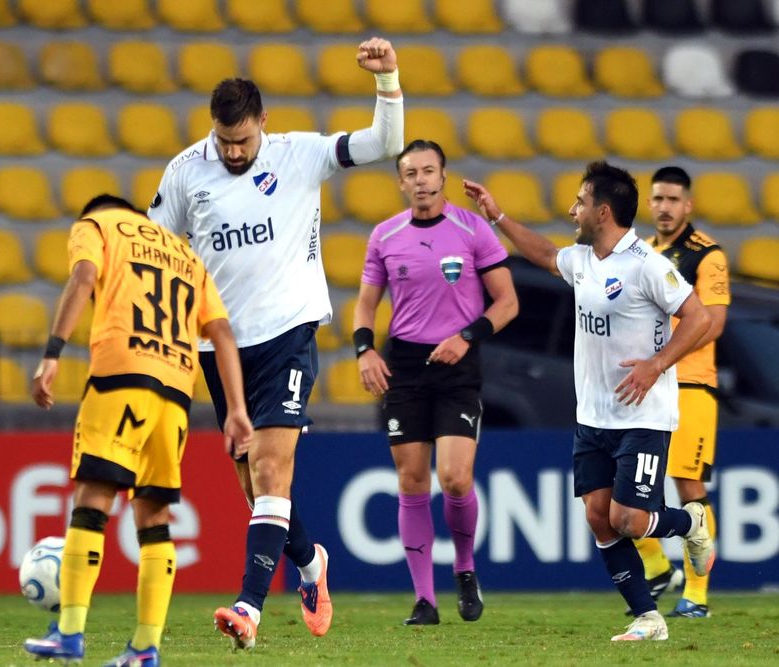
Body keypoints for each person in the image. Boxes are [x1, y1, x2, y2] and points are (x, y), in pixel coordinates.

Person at [146, 37, 404, 649]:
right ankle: (312, 564)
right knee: (258, 488)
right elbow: (154, 247)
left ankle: (249, 607)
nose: (232, 152)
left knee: (270, 466)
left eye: (242, 140)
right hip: (222, 349)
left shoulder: (298, 155)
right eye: (223, 141)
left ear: (264, 123)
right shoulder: (186, 172)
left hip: (289, 333)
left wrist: (388, 81)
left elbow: (383, 144)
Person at [462, 162, 715, 642]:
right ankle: (648, 618)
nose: (570, 209)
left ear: (602, 211)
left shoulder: (647, 264)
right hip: (591, 416)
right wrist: (498, 217)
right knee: (600, 519)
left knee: (629, 519)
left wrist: (656, 364)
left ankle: (690, 521)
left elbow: (699, 317)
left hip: (643, 416)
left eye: (579, 201)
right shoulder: (583, 259)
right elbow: (543, 254)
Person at [23, 194, 253, 666]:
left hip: (121, 373)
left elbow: (84, 277)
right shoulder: (185, 255)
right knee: (153, 517)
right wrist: (235, 409)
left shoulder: (97, 225)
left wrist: (52, 353)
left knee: (93, 499)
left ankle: (69, 633)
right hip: (176, 389)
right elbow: (223, 333)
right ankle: (145, 647)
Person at [353, 139, 518, 625]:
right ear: (400, 182)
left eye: (429, 171)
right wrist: (364, 350)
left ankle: (465, 567)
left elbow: (506, 302)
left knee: (455, 478)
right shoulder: (385, 235)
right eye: (412, 173)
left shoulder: (472, 230)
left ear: (443, 177)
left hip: (458, 364)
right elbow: (365, 303)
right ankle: (424, 600)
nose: (421, 180)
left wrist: (467, 337)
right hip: (405, 365)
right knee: (411, 480)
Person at [632, 166, 730, 618]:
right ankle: (656, 567)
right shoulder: (642, 253)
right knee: (630, 483)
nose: (664, 207)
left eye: (673, 200)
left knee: (688, 486)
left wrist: (663, 356)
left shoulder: (706, 254)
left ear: (687, 205)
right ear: (649, 203)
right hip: (649, 383)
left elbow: (712, 323)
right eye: (658, 199)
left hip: (689, 384)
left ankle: (696, 595)